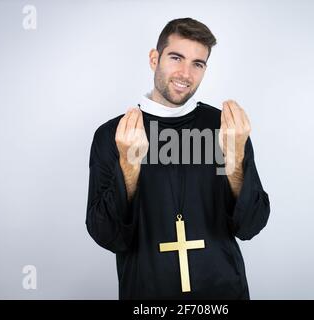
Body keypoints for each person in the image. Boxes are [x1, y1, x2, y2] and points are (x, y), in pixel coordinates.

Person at [85, 17, 270, 299]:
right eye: (176, 58)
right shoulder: (114, 134)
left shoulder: (224, 128)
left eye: (198, 63)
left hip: (223, 295)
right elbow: (108, 235)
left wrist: (235, 155)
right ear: (154, 58)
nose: (186, 73)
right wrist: (128, 164)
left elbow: (250, 226)